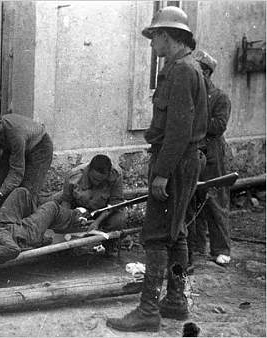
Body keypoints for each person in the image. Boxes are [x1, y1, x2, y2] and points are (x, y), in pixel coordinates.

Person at [106, 6, 208, 332]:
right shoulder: (187, 68)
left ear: (166, 36)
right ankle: (176, 300)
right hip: (183, 160)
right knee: (176, 232)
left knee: (155, 235)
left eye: (154, 38)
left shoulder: (181, 71)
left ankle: (148, 309)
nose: (152, 44)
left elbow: (178, 129)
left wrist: (162, 172)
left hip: (173, 161)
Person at [187, 50, 232, 267]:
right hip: (192, 154)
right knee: (193, 198)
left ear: (205, 72)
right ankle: (196, 245)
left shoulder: (220, 97)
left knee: (215, 201)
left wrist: (194, 122)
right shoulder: (191, 95)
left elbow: (218, 126)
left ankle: (221, 249)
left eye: (196, 71)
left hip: (212, 154)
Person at [60, 154, 126, 232]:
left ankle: (106, 241)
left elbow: (115, 203)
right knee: (59, 214)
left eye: (101, 180)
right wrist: (67, 219)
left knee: (118, 220)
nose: (97, 183)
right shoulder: (74, 176)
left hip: (103, 210)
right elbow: (66, 200)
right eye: (94, 179)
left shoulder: (116, 175)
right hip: (78, 209)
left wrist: (97, 222)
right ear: (89, 171)